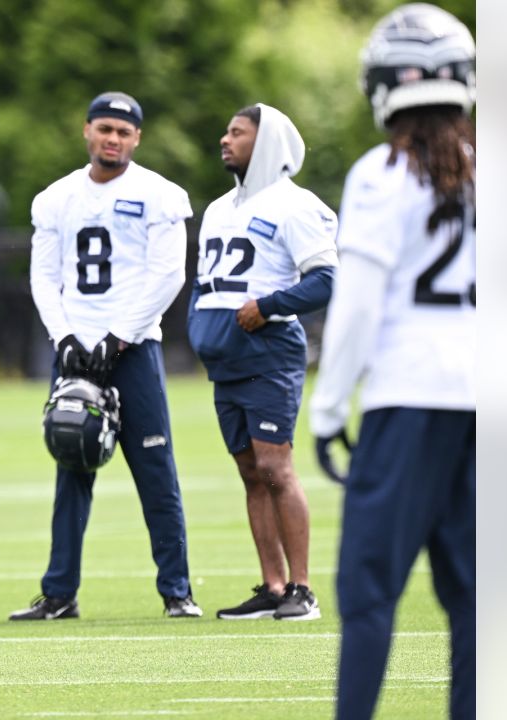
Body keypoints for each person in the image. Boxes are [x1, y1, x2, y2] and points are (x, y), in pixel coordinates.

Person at [310, 5, 476, 717]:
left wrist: (325, 407)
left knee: (369, 591)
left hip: (407, 400)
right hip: (490, 404)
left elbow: (357, 305)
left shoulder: (380, 174)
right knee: (478, 601)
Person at [11, 91, 201, 621]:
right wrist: (64, 338)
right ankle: (59, 593)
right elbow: (45, 276)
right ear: (87, 132)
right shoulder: (56, 198)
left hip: (134, 348)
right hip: (74, 351)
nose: (112, 139)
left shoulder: (159, 194)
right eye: (104, 129)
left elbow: (168, 274)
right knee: (72, 465)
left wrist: (118, 337)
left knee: (154, 466)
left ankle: (177, 591)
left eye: (123, 131)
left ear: (137, 138)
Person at [186, 103, 339, 621]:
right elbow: (206, 282)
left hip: (269, 352)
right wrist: (197, 327)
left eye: (237, 132)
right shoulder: (217, 208)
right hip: (225, 357)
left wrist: (269, 306)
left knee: (276, 466)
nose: (224, 140)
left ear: (267, 141)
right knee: (250, 471)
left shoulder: (294, 205)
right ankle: (273, 586)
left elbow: (325, 278)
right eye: (225, 131)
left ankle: (302, 588)